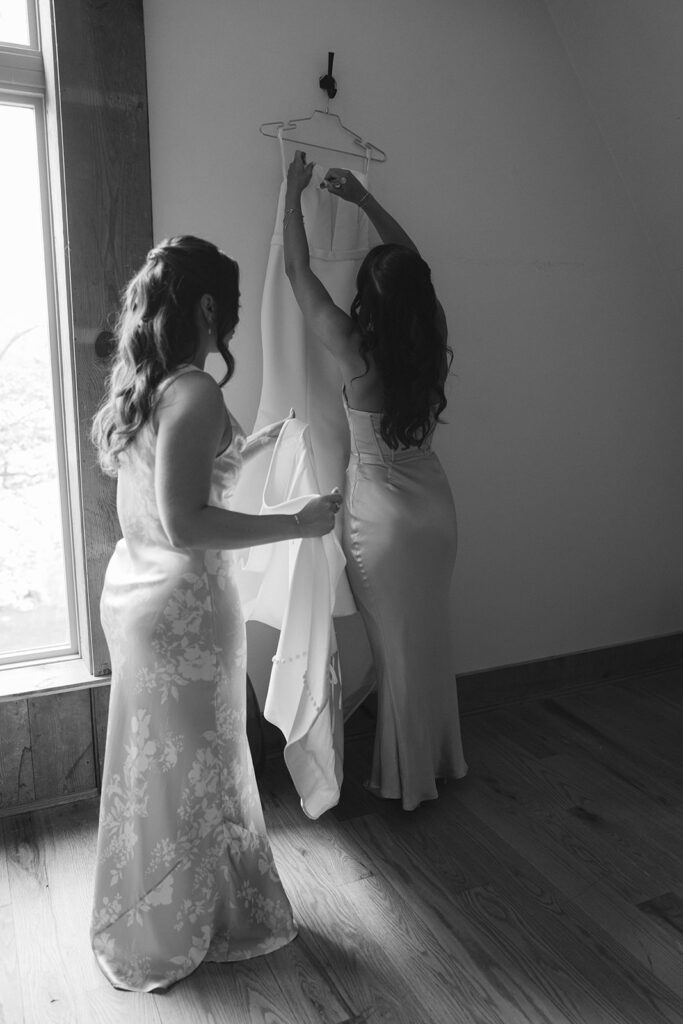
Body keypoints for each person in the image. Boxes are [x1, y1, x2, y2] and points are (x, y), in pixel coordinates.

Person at [89, 235, 342, 991]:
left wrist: (249, 448)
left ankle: (166, 909)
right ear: (206, 306)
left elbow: (174, 484)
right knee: (201, 768)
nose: (228, 322)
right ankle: (188, 920)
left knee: (160, 769)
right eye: (227, 308)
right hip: (187, 610)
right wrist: (297, 522)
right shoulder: (195, 389)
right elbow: (187, 522)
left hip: (137, 593)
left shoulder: (151, 385)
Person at [283, 153, 467, 811]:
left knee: (396, 653)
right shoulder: (431, 334)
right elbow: (415, 264)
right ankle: (440, 760)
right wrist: (363, 200)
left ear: (367, 296)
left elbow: (297, 272)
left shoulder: (353, 346)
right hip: (435, 511)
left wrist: (290, 192)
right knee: (426, 643)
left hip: (382, 521)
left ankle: (408, 779)